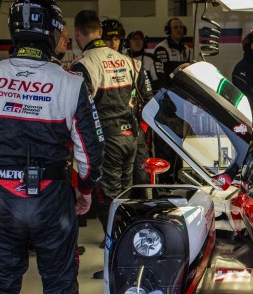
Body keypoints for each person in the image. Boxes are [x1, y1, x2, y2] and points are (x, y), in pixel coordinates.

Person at [0, 0, 103, 294]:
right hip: (51, 195)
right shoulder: (70, 82)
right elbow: (91, 152)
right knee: (59, 282)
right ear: (53, 33)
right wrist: (85, 190)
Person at [70, 10, 152, 278]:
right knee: (125, 199)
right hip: (131, 138)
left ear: (78, 34)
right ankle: (131, 258)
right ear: (100, 32)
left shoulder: (83, 64)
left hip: (107, 141)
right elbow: (145, 102)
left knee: (109, 203)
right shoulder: (130, 62)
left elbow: (80, 113)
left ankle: (120, 265)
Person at [152, 17, 192, 182]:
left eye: (181, 27)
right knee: (165, 144)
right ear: (168, 30)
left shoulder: (186, 49)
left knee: (181, 143)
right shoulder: (161, 48)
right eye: (175, 27)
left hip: (182, 103)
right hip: (166, 103)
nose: (179, 30)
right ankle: (164, 181)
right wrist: (171, 97)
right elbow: (160, 77)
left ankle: (178, 178)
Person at [125, 30, 158, 184]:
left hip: (143, 116)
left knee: (145, 152)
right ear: (128, 42)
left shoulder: (149, 60)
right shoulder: (123, 59)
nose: (137, 42)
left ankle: (146, 187)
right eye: (134, 39)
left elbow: (155, 85)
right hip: (127, 117)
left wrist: (145, 123)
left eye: (140, 39)